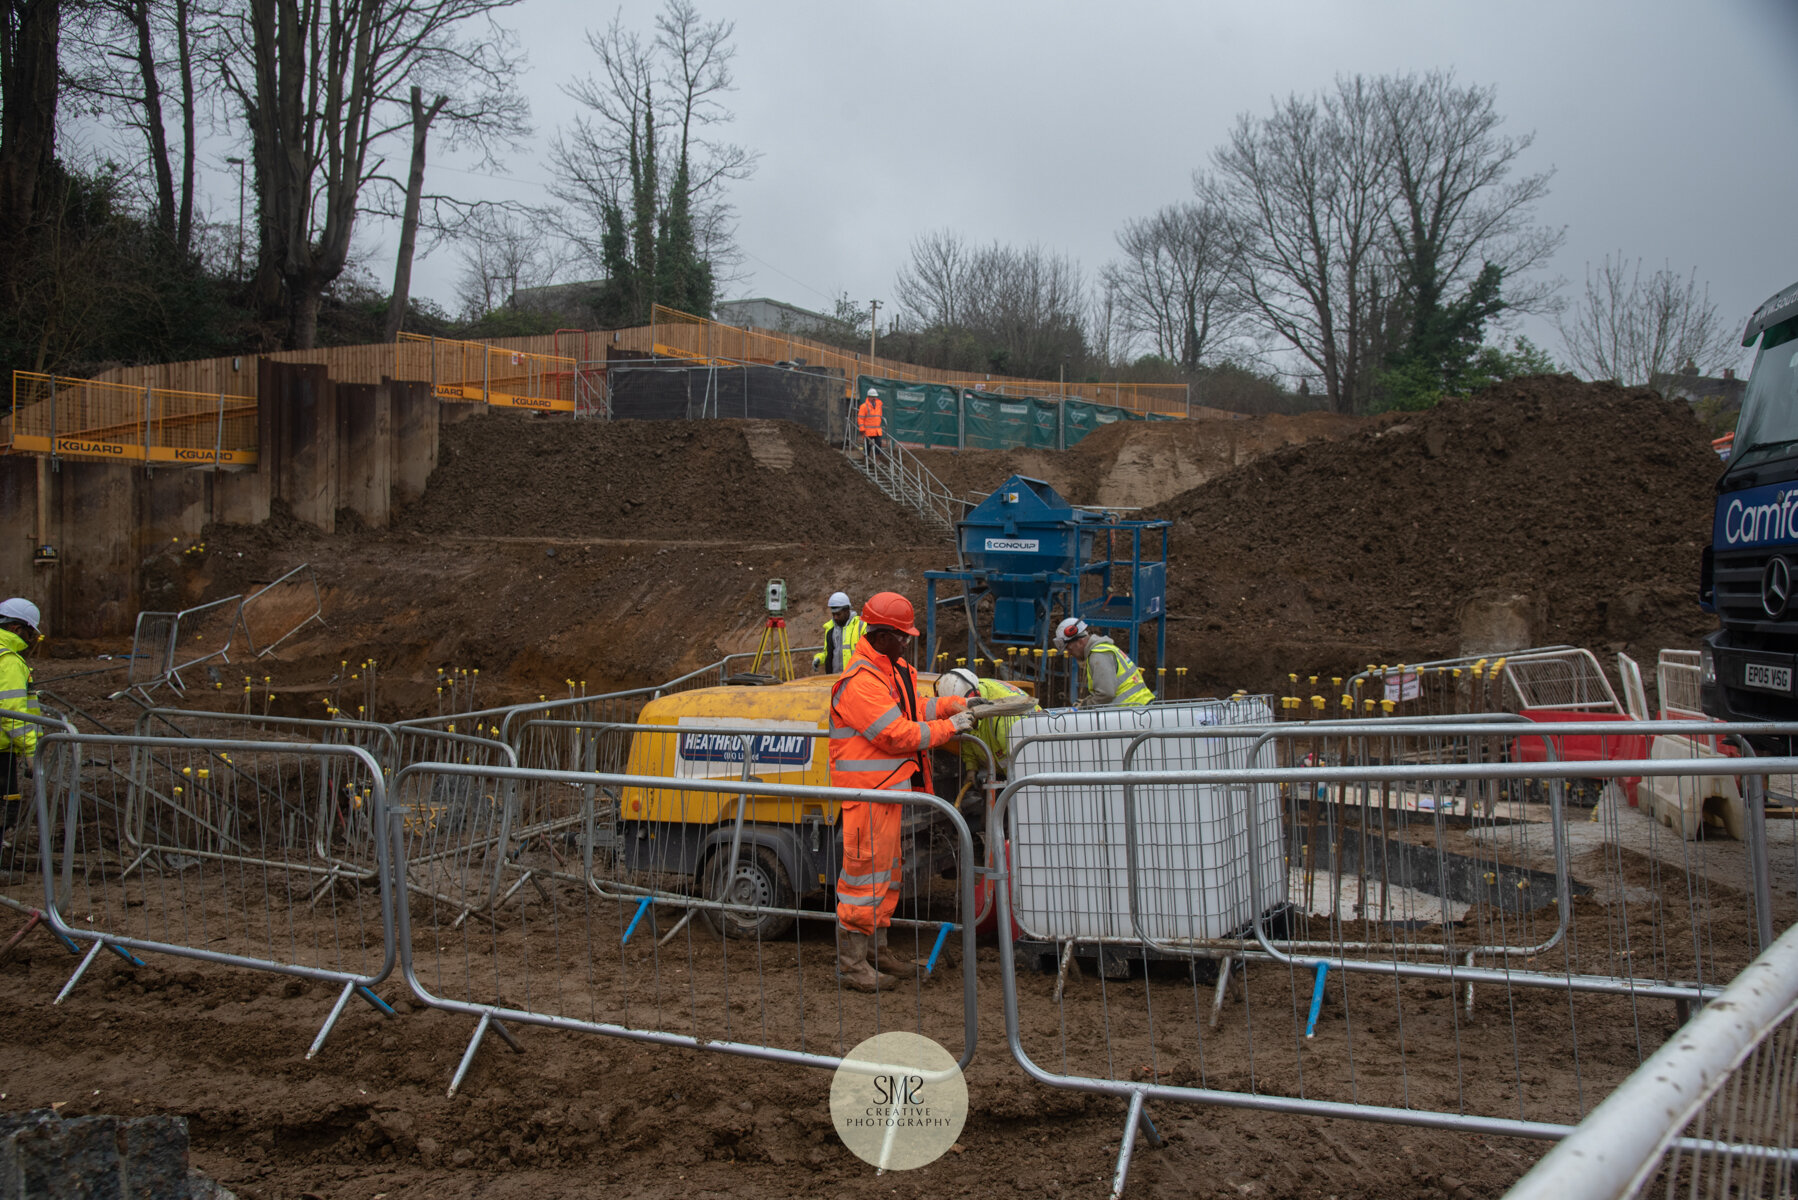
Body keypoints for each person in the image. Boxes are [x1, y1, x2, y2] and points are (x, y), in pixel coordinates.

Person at [829, 591, 972, 991]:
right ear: (881, 635)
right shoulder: (860, 682)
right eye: (902, 636)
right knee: (862, 882)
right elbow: (896, 733)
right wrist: (952, 727)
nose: (908, 642)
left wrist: (955, 704)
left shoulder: (891, 671)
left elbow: (916, 708)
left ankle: (877, 950)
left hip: (888, 795)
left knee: (886, 878)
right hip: (868, 797)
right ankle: (852, 964)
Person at [934, 666, 1037, 774]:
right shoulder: (972, 693)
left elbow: (1024, 766)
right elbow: (967, 733)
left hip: (1030, 769)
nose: (959, 719)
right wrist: (971, 768)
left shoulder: (1005, 719)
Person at [0, 598, 43, 838]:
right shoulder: (9, 660)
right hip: (1, 753)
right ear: (17, 628)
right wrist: (31, 750)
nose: (31, 640)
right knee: (4, 812)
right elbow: (12, 715)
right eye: (30, 633)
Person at [1054, 617, 1155, 707]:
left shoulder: (1098, 655)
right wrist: (1087, 700)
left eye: (1069, 648)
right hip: (1139, 708)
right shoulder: (1103, 649)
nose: (1069, 653)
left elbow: (1106, 693)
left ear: (1080, 642)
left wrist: (1085, 706)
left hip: (1134, 711)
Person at [811, 591, 867, 674]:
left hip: (856, 678)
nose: (835, 617)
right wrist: (819, 658)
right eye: (833, 614)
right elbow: (829, 654)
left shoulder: (860, 626)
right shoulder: (830, 630)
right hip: (835, 679)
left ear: (847, 610)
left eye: (838, 614)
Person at [856, 388, 884, 459]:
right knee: (867, 446)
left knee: (878, 445)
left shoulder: (879, 406)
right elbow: (860, 418)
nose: (874, 398)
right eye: (872, 396)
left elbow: (879, 417)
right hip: (868, 431)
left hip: (877, 430)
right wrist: (862, 429)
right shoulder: (864, 407)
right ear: (868, 397)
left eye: (875, 396)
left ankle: (877, 460)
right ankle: (866, 459)